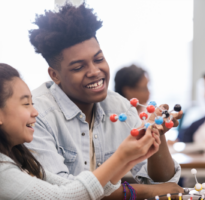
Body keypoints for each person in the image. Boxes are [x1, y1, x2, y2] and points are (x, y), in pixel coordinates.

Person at [27, 3, 184, 199]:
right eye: (78, 67)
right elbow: (66, 195)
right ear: (55, 75)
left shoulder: (120, 107)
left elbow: (164, 185)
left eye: (99, 59)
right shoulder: (35, 115)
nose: (94, 72)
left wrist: (157, 135)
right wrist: (144, 191)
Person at [0, 63, 161, 200]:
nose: (35, 112)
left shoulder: (16, 157)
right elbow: (66, 198)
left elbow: (73, 187)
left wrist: (131, 159)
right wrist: (123, 156)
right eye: (25, 104)